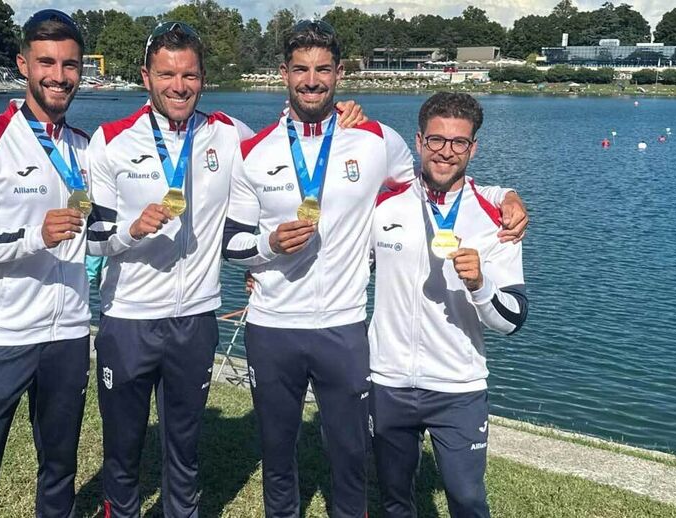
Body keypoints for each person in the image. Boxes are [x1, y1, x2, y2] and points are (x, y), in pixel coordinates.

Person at [221, 21, 526, 517]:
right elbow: (232, 245)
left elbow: (436, 185)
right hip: (271, 327)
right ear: (284, 74)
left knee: (349, 459)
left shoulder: (376, 139)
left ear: (340, 73)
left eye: (323, 69)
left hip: (343, 330)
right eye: (301, 69)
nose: (312, 80)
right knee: (278, 458)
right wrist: (269, 245)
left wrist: (501, 196)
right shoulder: (252, 152)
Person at [84, 21, 367, 518]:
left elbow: (290, 138)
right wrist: (134, 229)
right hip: (126, 317)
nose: (179, 86)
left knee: (185, 450)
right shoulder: (109, 141)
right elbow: (95, 237)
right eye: (167, 74)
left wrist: (341, 116)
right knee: (123, 448)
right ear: (145, 76)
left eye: (190, 75)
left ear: (202, 78)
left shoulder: (230, 135)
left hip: (195, 317)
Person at [0, 10, 91, 517]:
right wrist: (34, 236)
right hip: (1, 336)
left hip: (68, 333)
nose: (59, 75)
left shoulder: (87, 149)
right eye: (46, 61)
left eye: (70, 64)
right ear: (22, 64)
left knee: (59, 471)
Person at [368, 91, 528, 518]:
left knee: (468, 500)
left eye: (459, 142)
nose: (446, 152)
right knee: (395, 500)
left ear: (473, 147)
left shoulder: (497, 220)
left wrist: (481, 285)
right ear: (419, 141)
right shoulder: (383, 203)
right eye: (436, 140)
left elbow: (512, 321)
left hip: (458, 388)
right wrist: (264, 272)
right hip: (388, 380)